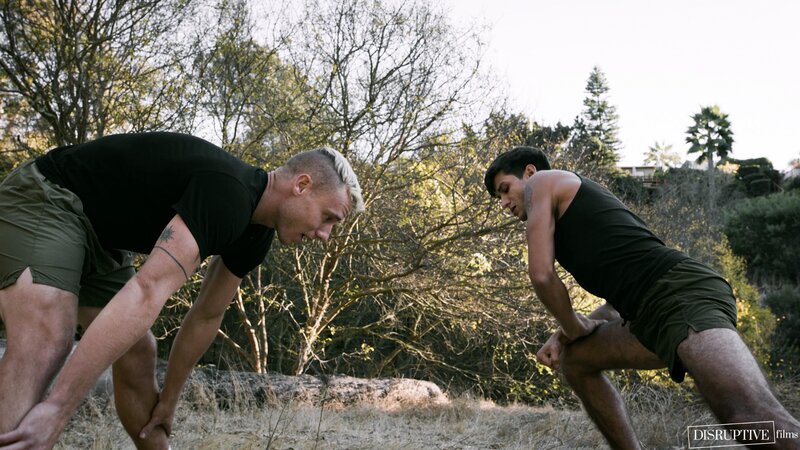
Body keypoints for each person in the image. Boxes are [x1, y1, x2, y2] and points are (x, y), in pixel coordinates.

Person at [0, 131, 364, 449]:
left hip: (100, 238)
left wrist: (169, 399)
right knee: (47, 339)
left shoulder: (256, 235)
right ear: (301, 186)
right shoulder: (228, 193)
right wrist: (57, 410)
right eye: (328, 218)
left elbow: (207, 315)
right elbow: (147, 290)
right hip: (49, 196)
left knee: (139, 351)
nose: (324, 235)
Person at [484, 146, 800, 449]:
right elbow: (616, 304)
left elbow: (541, 274)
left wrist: (572, 327)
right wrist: (566, 335)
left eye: (505, 188)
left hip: (682, 293)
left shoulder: (543, 181)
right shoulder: (573, 226)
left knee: (746, 417)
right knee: (575, 359)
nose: (503, 203)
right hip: (647, 316)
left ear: (529, 172)